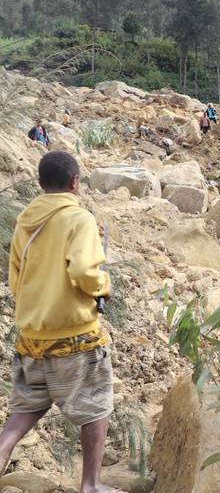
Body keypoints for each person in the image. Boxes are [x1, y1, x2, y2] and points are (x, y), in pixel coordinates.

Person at [2, 151, 119, 493]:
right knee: (95, 406)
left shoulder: (26, 219)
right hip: (75, 338)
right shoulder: (78, 218)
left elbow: (15, 280)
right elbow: (83, 270)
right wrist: (103, 287)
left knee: (24, 410)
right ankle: (91, 485)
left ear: (41, 183)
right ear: (75, 182)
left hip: (31, 338)